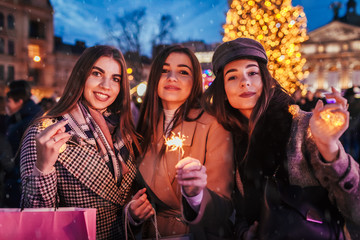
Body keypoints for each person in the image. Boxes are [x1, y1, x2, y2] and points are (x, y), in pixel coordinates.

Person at [203, 38, 360, 239]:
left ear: (266, 80)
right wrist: (245, 233)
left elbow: (355, 207)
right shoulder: (229, 138)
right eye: (232, 77)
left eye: (252, 73)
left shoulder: (302, 125)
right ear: (223, 91)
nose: (245, 82)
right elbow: (240, 210)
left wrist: (329, 148)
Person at [20, 45, 142, 239]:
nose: (106, 86)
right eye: (97, 73)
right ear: (81, 76)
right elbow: (36, 222)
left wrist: (132, 215)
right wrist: (43, 168)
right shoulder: (46, 131)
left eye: (115, 79)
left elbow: (117, 206)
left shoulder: (123, 131)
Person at [130, 45, 234, 239]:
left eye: (183, 72)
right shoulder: (142, 127)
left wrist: (195, 196)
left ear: (194, 81)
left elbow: (224, 206)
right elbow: (131, 191)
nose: (172, 77)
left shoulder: (214, 125)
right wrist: (132, 214)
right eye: (164, 70)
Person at [4, 80, 42, 207]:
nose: (6, 105)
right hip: (17, 177)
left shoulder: (27, 120)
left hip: (20, 178)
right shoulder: (20, 116)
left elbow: (19, 152)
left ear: (19, 100)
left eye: (9, 100)